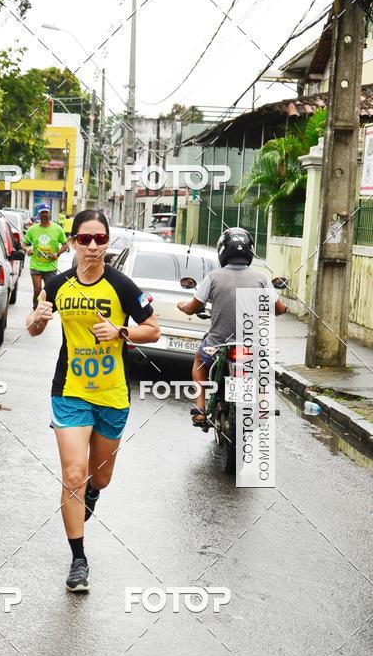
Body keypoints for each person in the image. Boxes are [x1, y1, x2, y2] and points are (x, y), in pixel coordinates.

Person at [26, 209, 160, 592]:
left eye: (100, 239)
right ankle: (78, 560)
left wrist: (121, 331)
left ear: (107, 242)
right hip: (70, 391)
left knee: (98, 477)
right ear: (72, 242)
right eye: (85, 239)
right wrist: (38, 318)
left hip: (112, 394)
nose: (93, 246)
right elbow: (32, 329)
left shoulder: (122, 286)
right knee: (73, 474)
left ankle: (93, 492)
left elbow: (153, 329)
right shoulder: (56, 285)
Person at [177, 227, 287, 427]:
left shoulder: (213, 277)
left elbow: (192, 307)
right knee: (262, 365)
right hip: (251, 346)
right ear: (250, 251)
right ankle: (262, 407)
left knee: (199, 359)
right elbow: (279, 309)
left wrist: (183, 306)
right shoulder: (261, 279)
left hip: (218, 345)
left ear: (222, 250)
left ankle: (200, 409)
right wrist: (281, 307)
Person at [23, 207, 68, 307]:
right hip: (36, 265)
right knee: (37, 289)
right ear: (39, 215)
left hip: (51, 266)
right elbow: (24, 244)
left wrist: (57, 254)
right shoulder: (32, 229)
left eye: (46, 212)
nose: (44, 215)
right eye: (42, 213)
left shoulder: (58, 229)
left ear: (49, 213)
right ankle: (35, 308)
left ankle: (44, 309)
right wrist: (27, 249)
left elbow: (65, 245)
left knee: (48, 292)